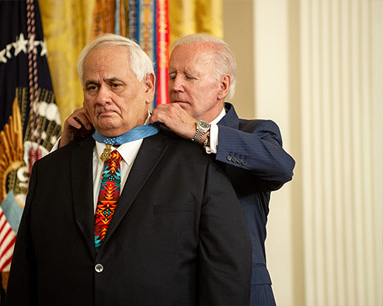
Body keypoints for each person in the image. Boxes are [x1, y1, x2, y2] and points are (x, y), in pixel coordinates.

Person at [5, 34, 252, 306]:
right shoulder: (49, 170)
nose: (102, 98)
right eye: (92, 87)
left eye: (115, 85)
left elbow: (226, 278)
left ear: (148, 87)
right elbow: (24, 277)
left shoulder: (198, 163)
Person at [59, 33, 296, 306]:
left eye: (189, 77)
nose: (176, 86)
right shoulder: (155, 136)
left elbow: (282, 166)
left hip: (240, 293)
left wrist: (199, 132)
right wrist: (70, 143)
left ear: (223, 85)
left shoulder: (253, 133)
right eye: (171, 75)